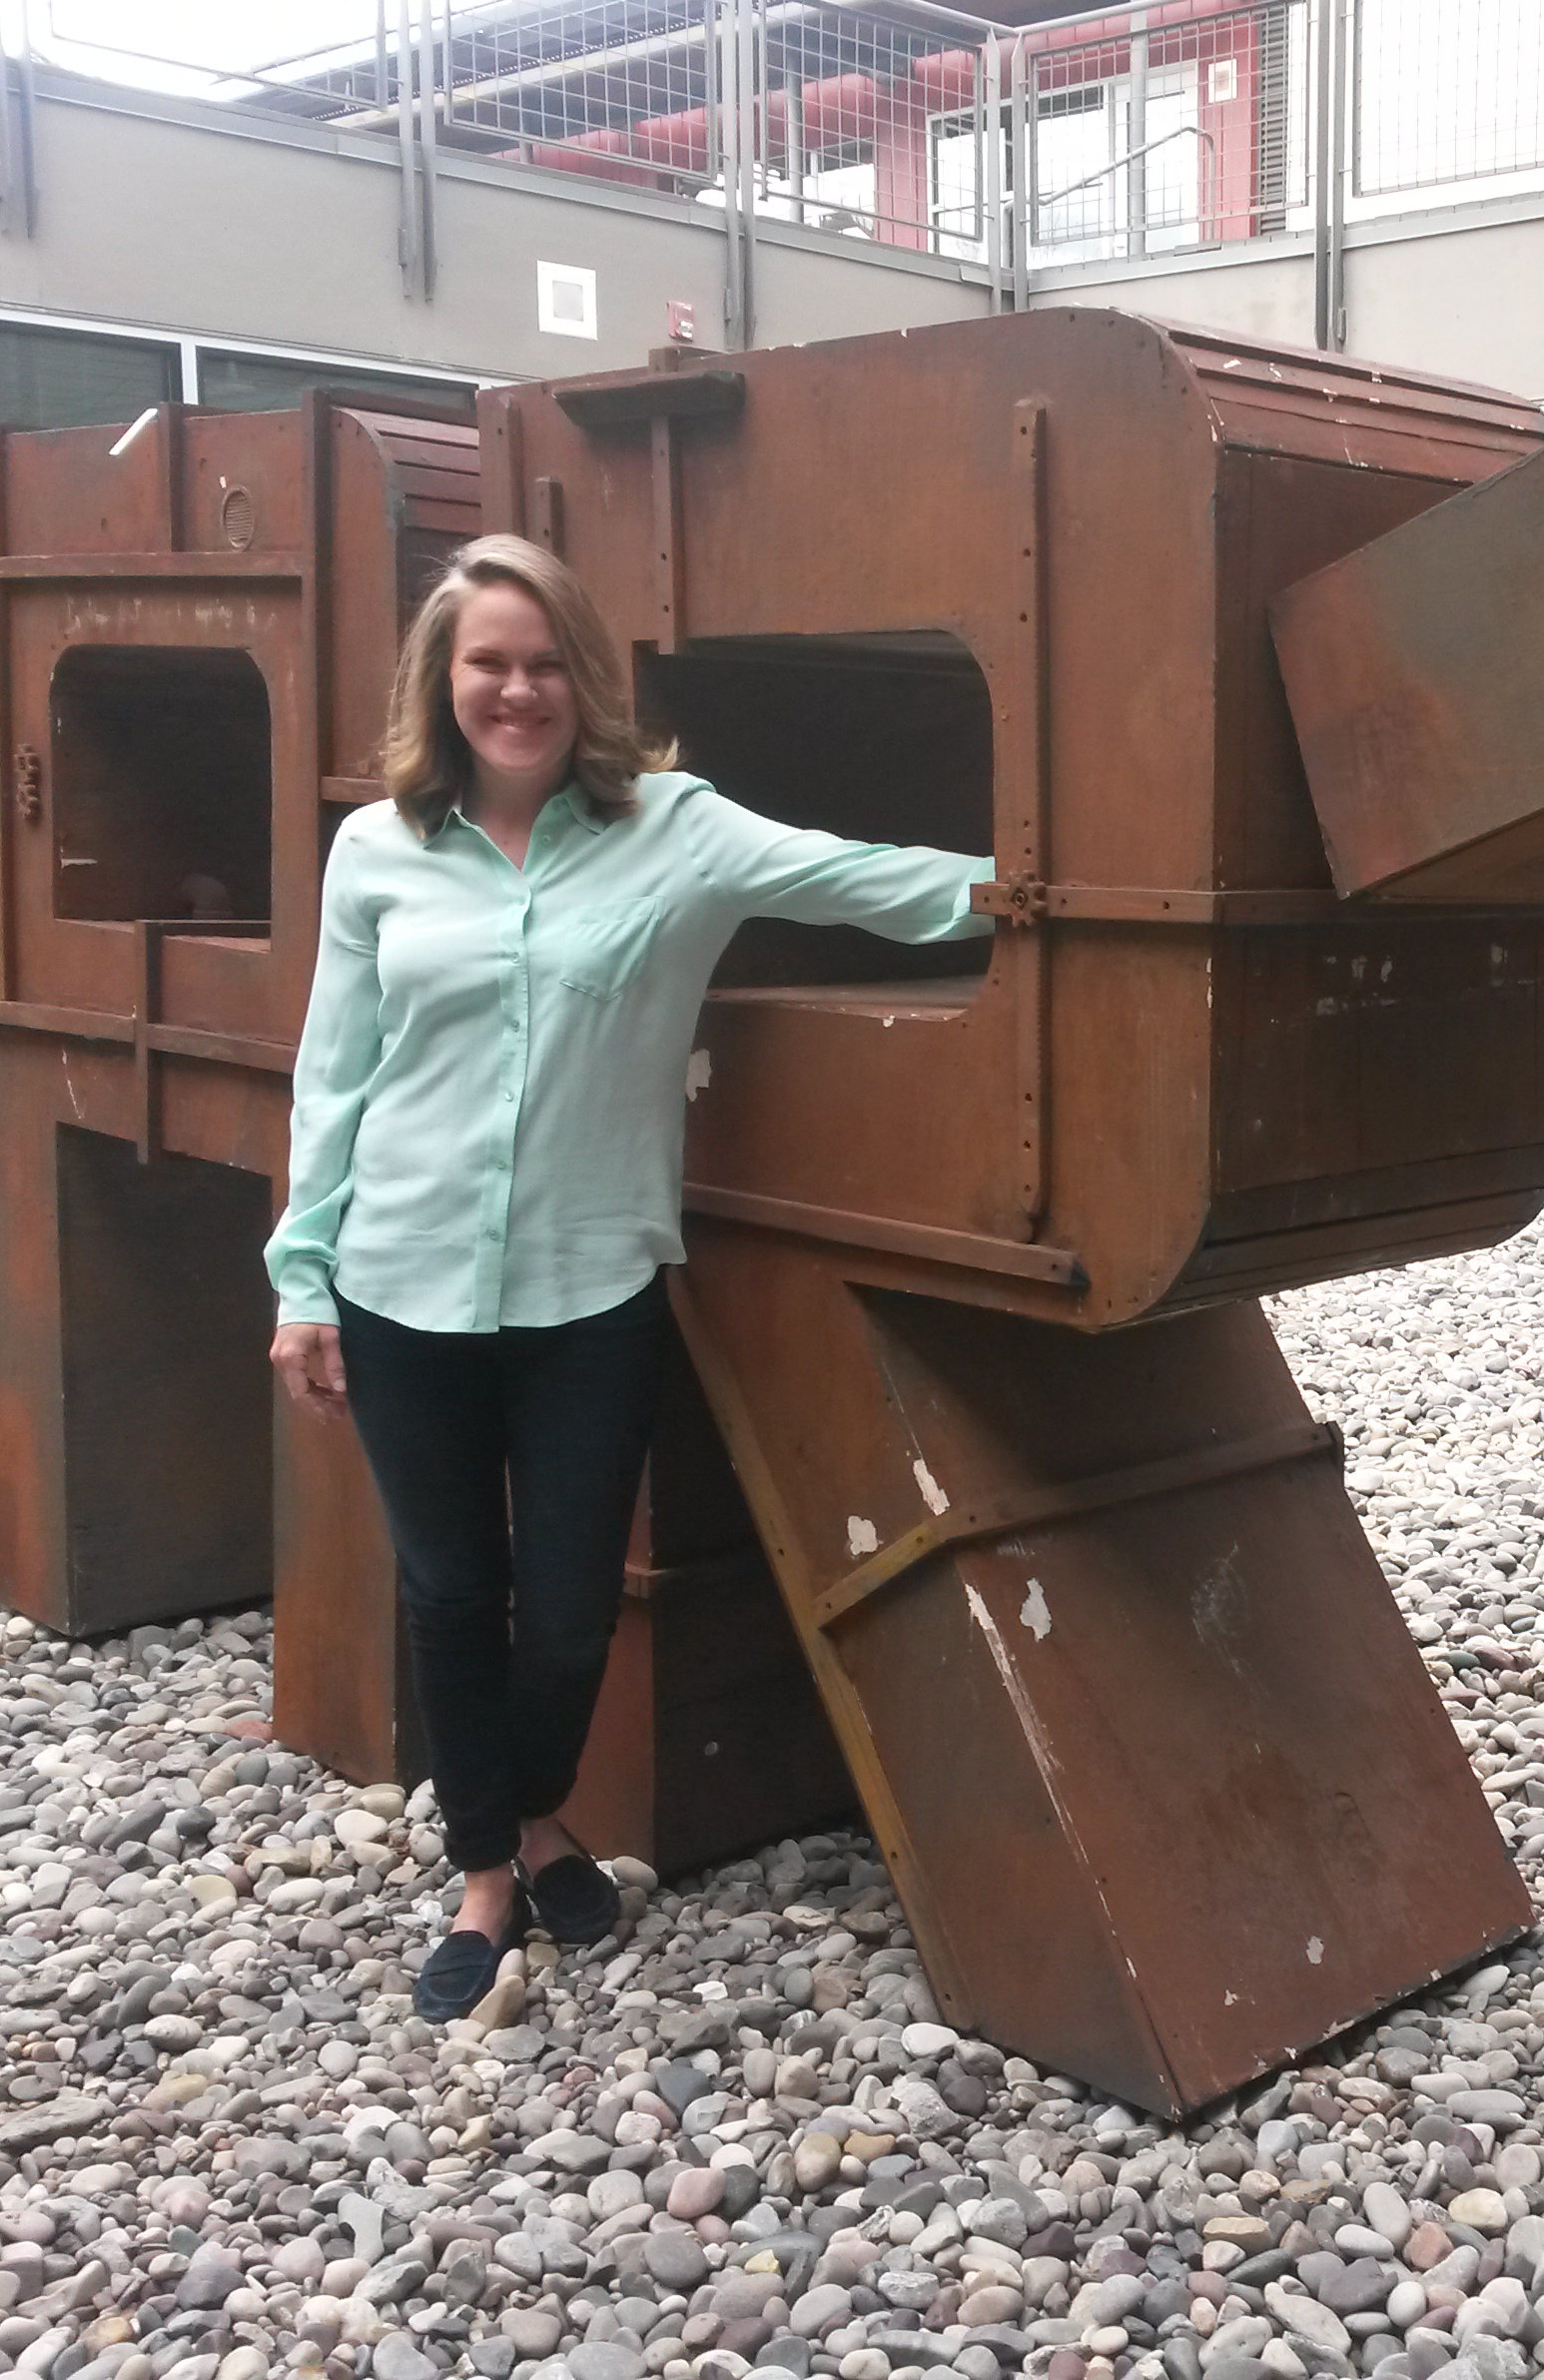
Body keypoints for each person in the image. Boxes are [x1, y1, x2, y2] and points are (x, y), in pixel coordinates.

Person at [263, 534, 990, 2021]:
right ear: (444, 680)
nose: (516, 689)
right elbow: (334, 1077)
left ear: (583, 678)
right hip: (403, 1281)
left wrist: (1067, 888)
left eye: (542, 663)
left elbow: (867, 883)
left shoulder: (679, 830)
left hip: (589, 1290)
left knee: (577, 1603)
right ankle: (494, 1863)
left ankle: (531, 1809)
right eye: (488, 663)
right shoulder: (375, 851)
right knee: (454, 1591)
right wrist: (304, 1279)